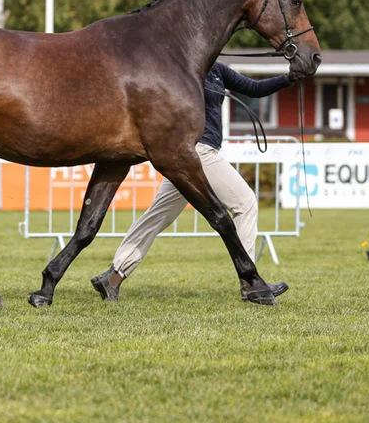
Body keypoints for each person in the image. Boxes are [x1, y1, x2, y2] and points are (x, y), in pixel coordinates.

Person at [91, 60, 295, 302]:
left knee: (157, 217)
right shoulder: (179, 67)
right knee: (245, 203)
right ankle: (251, 282)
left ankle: (113, 277)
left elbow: (254, 88)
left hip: (184, 157)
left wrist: (290, 78)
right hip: (199, 152)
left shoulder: (217, 69)